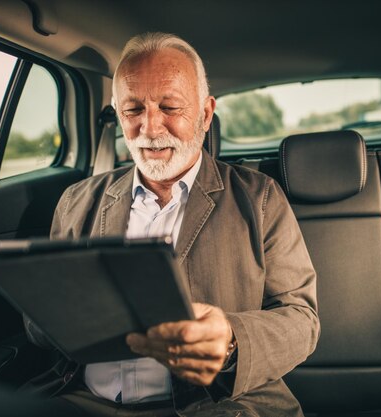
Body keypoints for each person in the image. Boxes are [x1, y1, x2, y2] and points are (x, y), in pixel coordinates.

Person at [26, 32, 319, 417]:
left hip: (218, 405)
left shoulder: (259, 197)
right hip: (83, 400)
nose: (149, 128)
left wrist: (231, 339)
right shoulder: (76, 202)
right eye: (133, 110)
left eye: (169, 106)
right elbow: (37, 329)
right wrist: (60, 313)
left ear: (205, 113)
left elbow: (301, 319)